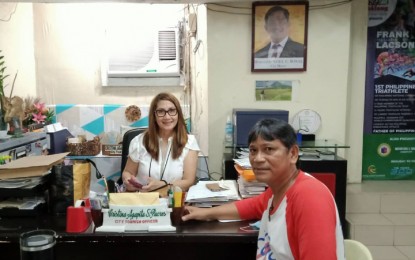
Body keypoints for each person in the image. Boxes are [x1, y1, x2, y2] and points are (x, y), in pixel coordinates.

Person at [182, 118, 344, 259]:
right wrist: (205, 213)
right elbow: (251, 206)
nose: (258, 159)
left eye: (269, 149)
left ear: (293, 154)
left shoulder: (309, 197)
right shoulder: (277, 191)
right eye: (253, 150)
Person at [122, 92, 200, 192]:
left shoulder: (190, 142)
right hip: (143, 201)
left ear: (178, 114)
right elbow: (128, 172)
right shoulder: (139, 141)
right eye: (161, 111)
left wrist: (163, 186)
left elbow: (188, 181)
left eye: (172, 110)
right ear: (154, 116)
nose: (167, 117)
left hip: (173, 202)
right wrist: (128, 180)